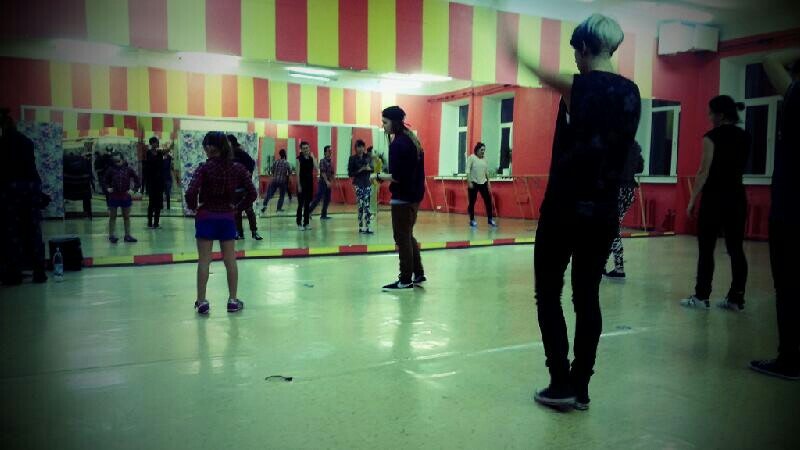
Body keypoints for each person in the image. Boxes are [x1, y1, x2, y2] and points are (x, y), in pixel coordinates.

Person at [512, 14, 641, 410]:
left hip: (564, 209)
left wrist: (514, 50)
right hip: (603, 212)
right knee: (587, 298)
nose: (575, 59)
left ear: (584, 48)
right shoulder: (633, 93)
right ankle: (581, 387)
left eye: (576, 52)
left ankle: (560, 382)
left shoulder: (579, 87)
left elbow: (541, 73)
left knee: (548, 294)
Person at [750, 54, 800, 380]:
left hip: (791, 211)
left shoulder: (798, 95)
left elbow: (770, 59)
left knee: (789, 286)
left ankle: (790, 360)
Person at [682, 96, 750, 311]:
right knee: (736, 249)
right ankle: (736, 298)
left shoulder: (711, 137)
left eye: (711, 113)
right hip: (737, 198)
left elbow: (704, 171)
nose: (709, 117)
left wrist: (692, 200)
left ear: (720, 115)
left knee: (706, 249)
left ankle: (701, 297)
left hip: (714, 199)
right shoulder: (745, 136)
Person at [185, 131, 256, 315]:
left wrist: (194, 207)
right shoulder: (237, 168)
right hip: (227, 217)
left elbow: (191, 192)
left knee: (204, 261)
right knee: (230, 260)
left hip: (206, 215)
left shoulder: (203, 168)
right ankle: (232, 300)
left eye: (206, 145)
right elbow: (252, 193)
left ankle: (202, 302)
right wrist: (238, 208)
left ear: (211, 147)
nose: (205, 149)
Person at [375, 106, 426, 291]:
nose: (383, 126)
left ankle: (405, 279)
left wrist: (378, 176)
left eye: (385, 122)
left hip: (403, 197)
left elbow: (397, 176)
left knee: (402, 237)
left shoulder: (397, 144)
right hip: (415, 195)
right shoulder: (412, 140)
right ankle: (418, 273)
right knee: (408, 235)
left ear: (394, 122)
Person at [0, 109, 48, 285]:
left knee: (11, 232)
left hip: (11, 189)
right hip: (31, 187)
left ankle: (14, 273)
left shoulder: (3, 143)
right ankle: (39, 271)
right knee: (33, 230)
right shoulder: (26, 141)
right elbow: (30, 167)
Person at [603, 141, 644, 281]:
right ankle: (603, 265)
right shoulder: (635, 145)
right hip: (629, 191)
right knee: (611, 228)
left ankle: (619, 268)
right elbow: (640, 167)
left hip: (614, 190)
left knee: (611, 229)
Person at [228, 135, 262, 240]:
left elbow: (251, 163)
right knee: (236, 211)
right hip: (233, 188)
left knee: (249, 210)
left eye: (227, 142)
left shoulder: (239, 152)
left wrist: (248, 175)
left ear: (232, 142)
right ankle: (239, 233)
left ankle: (254, 232)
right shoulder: (227, 154)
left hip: (244, 188)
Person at [103, 152, 140, 243]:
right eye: (114, 161)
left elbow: (137, 180)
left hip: (125, 196)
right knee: (112, 217)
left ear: (123, 160)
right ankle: (111, 236)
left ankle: (127, 235)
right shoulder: (110, 170)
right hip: (114, 196)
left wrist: (134, 190)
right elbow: (104, 181)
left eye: (118, 161)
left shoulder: (128, 170)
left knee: (126, 216)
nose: (116, 163)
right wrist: (107, 188)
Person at [466, 142, 497, 228]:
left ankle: (490, 219)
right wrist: (469, 182)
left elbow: (486, 172)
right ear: (477, 150)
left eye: (484, 150)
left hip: (483, 183)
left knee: (488, 201)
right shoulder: (471, 158)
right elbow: (467, 171)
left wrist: (489, 182)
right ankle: (472, 220)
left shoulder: (485, 159)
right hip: (473, 182)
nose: (483, 151)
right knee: (472, 202)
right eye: (481, 150)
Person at [348, 139, 374, 233]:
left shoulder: (368, 157)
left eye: (362, 147)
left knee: (367, 204)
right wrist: (361, 169)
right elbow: (350, 173)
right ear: (355, 148)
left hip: (367, 183)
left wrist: (369, 168)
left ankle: (367, 226)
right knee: (361, 204)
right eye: (359, 147)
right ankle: (361, 226)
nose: (361, 149)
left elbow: (373, 169)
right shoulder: (352, 158)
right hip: (358, 184)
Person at [144, 137, 166, 229]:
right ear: (151, 143)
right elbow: (150, 164)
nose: (156, 144)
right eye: (154, 143)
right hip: (151, 182)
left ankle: (156, 223)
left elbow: (162, 166)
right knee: (151, 203)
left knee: (159, 204)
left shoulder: (160, 153)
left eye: (157, 142)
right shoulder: (149, 153)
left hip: (159, 182)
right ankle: (149, 222)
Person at [261, 149, 291, 213]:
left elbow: (272, 171)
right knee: (281, 196)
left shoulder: (276, 162)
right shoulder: (287, 163)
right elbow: (289, 173)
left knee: (269, 194)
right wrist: (288, 181)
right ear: (285, 154)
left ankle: (264, 206)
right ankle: (278, 209)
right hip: (282, 181)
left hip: (274, 180)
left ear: (279, 154)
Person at [295, 141, 316, 230]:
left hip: (309, 184)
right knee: (300, 204)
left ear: (309, 148)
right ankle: (299, 223)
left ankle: (306, 223)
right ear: (301, 149)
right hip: (302, 183)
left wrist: (313, 156)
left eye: (307, 148)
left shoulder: (311, 158)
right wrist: (299, 185)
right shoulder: (298, 159)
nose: (305, 150)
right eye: (303, 148)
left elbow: (316, 167)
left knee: (307, 204)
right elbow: (297, 173)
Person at [309, 145, 334, 220]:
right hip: (323, 182)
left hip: (328, 182)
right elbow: (323, 172)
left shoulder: (331, 161)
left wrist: (331, 181)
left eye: (331, 151)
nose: (330, 152)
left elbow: (332, 172)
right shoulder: (322, 161)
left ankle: (323, 215)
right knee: (318, 198)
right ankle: (308, 212)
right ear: (325, 152)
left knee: (327, 199)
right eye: (329, 151)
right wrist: (327, 181)